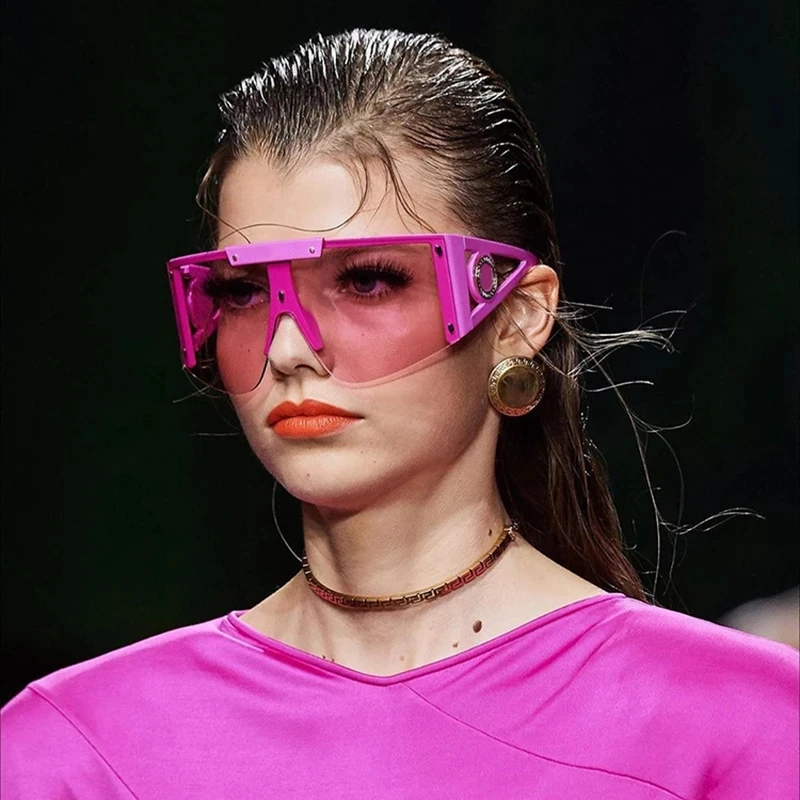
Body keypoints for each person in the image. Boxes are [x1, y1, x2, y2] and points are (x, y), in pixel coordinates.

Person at [1, 28, 797, 800]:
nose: (288, 349)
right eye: (242, 292)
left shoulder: (742, 724)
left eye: (370, 281)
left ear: (517, 315)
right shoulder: (71, 750)